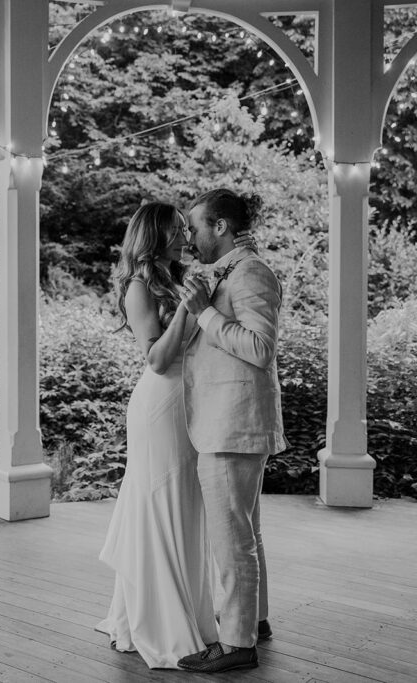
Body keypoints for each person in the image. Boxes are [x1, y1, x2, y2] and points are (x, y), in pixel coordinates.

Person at [95, 202, 219, 668]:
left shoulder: (179, 277)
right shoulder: (139, 286)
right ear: (156, 233)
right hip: (159, 402)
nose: (187, 234)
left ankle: (188, 611)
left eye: (188, 227)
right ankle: (163, 623)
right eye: (178, 228)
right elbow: (155, 357)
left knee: (185, 504)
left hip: (188, 399)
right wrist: (190, 309)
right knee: (161, 504)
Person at [175, 189, 287, 674]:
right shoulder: (229, 272)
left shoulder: (251, 272)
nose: (189, 238)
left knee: (232, 539)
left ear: (220, 226)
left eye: (195, 227)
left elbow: (261, 348)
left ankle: (237, 642)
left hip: (233, 423)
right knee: (247, 532)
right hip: (227, 421)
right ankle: (254, 619)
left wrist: (204, 313)